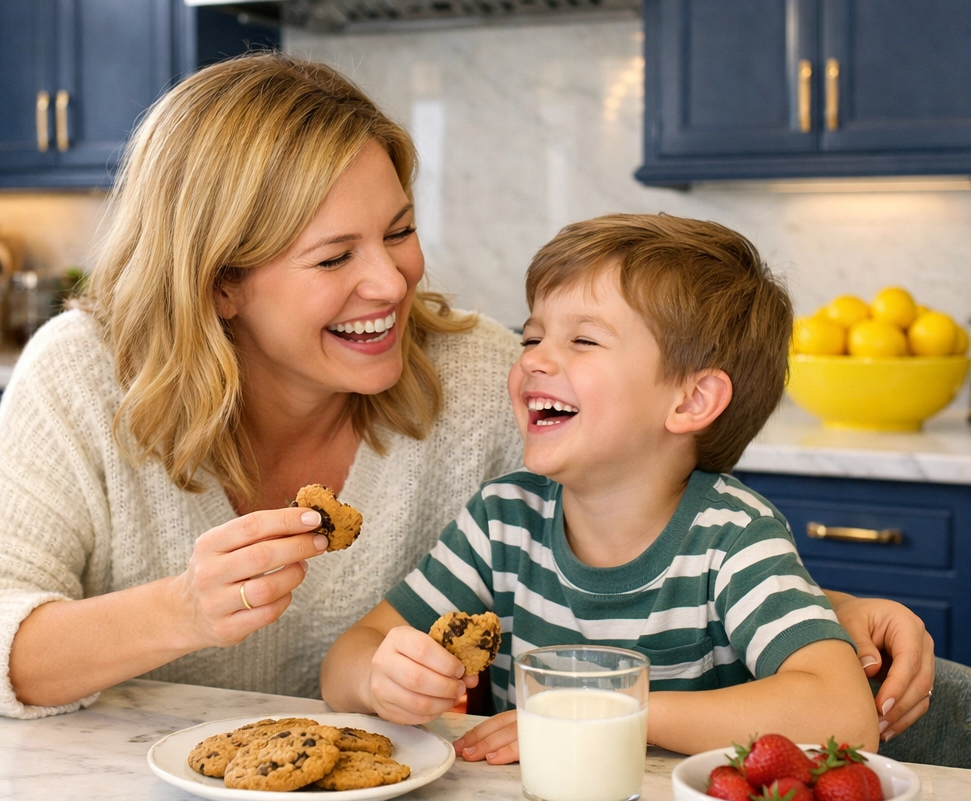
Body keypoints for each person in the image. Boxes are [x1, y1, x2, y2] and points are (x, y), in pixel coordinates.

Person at [0, 55, 931, 734]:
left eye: (400, 229)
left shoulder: (468, 379)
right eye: (334, 256)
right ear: (220, 284)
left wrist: (822, 608)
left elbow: (624, 510)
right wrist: (183, 612)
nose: (393, 282)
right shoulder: (85, 373)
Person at [321, 215, 891, 756]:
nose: (535, 361)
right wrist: (381, 679)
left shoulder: (733, 538)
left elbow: (842, 715)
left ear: (691, 400)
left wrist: (610, 713)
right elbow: (346, 659)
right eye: (532, 337)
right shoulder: (503, 520)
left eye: (583, 341)